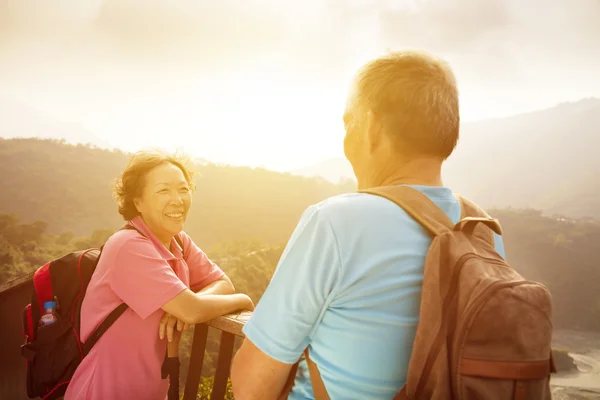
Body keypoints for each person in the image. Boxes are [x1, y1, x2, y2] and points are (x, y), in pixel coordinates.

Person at [230, 50, 506, 399]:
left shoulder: (335, 222)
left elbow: (252, 387)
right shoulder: (482, 231)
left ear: (371, 127)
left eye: (349, 123)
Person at [64, 149, 254, 400]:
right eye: (164, 190)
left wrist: (188, 303)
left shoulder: (180, 242)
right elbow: (192, 309)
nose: (177, 199)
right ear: (137, 202)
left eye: (183, 189)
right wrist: (241, 301)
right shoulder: (128, 246)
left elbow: (220, 283)